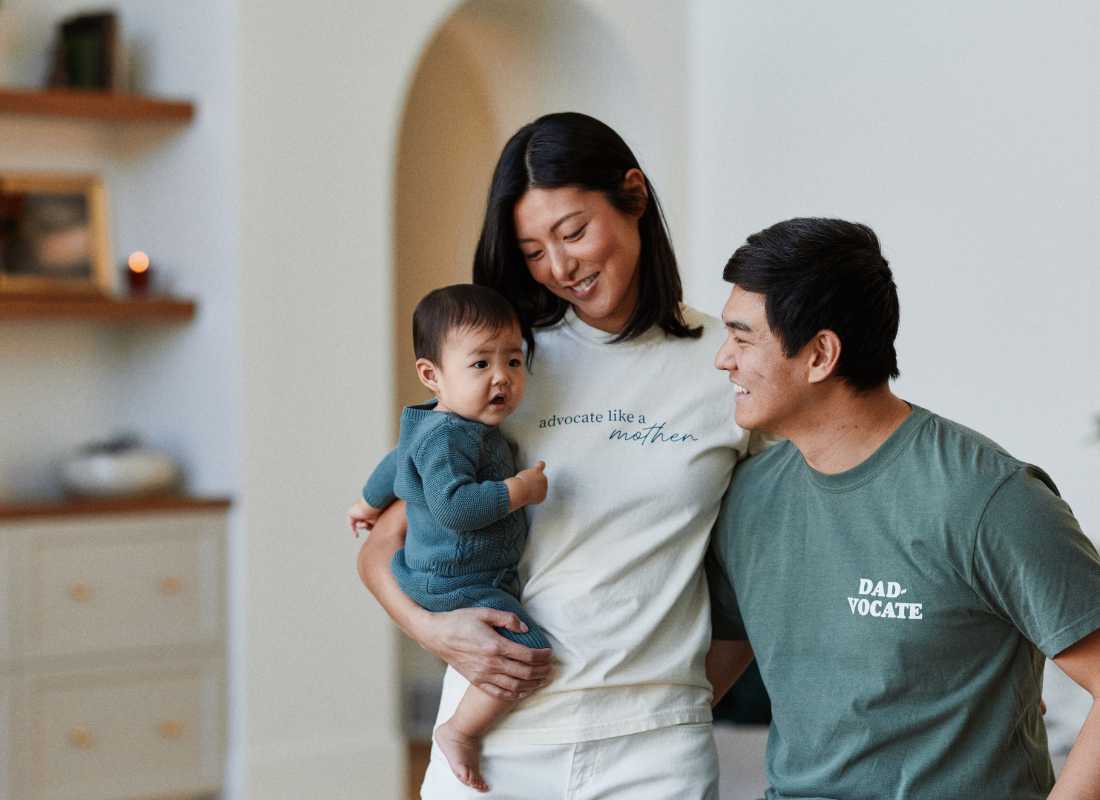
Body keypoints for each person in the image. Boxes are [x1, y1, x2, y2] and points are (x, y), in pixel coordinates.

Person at [356, 112, 759, 798]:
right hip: (490, 742)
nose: (560, 266)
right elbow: (381, 543)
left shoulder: (727, 363)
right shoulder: (506, 363)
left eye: (572, 232)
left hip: (654, 754)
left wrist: (679, 703)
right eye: (534, 249)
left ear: (633, 195)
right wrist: (436, 632)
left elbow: (764, 565)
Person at [706, 217, 1100, 800]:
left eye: (743, 338)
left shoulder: (987, 497)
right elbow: (719, 657)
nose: (723, 359)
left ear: (820, 355)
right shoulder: (750, 496)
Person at [350, 284, 551, 791]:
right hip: (455, 579)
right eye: (480, 365)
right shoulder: (451, 438)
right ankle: (459, 731)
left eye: (513, 361)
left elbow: (392, 464)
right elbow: (454, 508)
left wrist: (367, 503)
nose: (501, 377)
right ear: (431, 374)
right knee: (526, 648)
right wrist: (519, 490)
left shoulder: (432, 425)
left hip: (446, 570)